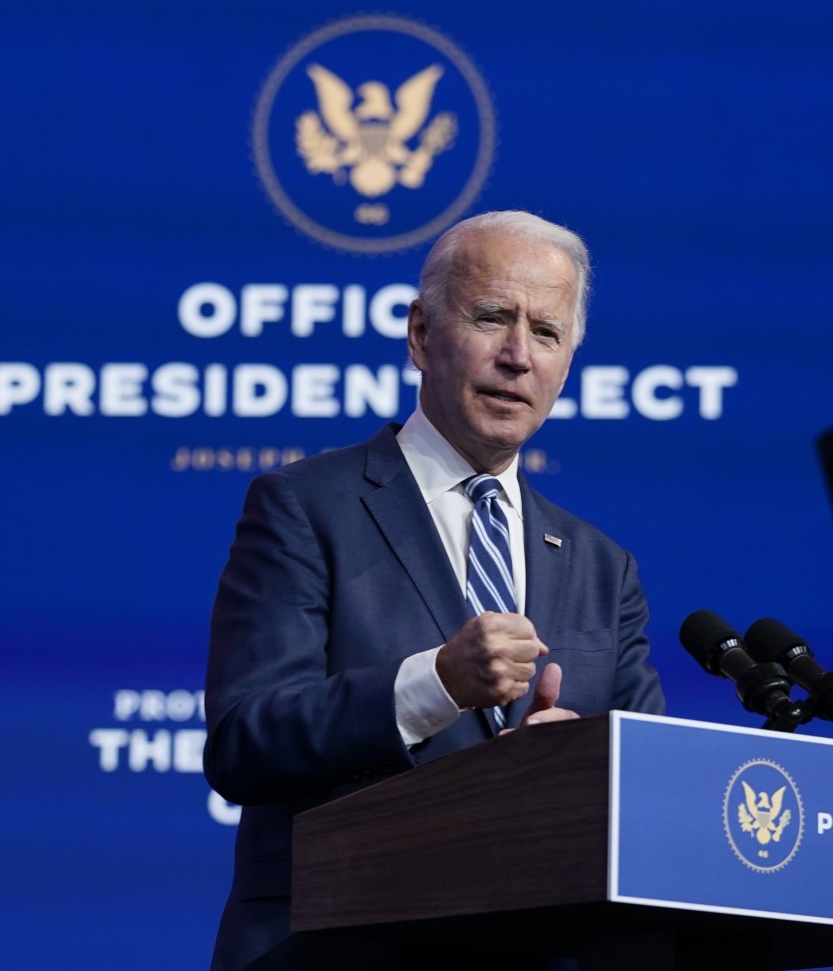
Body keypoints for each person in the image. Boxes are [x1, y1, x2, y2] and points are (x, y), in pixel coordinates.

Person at [203, 210, 665, 970]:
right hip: (337, 949)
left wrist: (583, 769)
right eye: (492, 319)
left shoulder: (600, 566)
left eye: (546, 334)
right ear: (420, 335)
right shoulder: (305, 506)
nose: (518, 356)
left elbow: (648, 796)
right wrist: (434, 684)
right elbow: (243, 741)